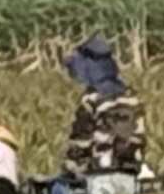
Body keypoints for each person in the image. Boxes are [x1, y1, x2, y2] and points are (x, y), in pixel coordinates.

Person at [59, 39, 146, 180]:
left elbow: (81, 142)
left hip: (99, 171)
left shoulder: (92, 99)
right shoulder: (131, 96)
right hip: (132, 168)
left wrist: (69, 166)